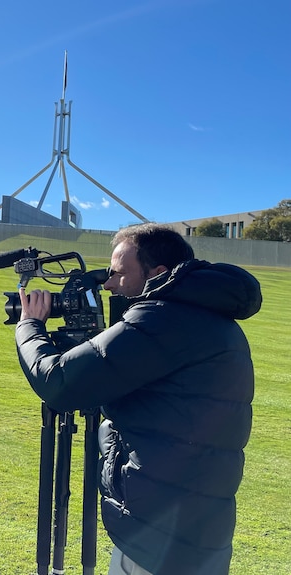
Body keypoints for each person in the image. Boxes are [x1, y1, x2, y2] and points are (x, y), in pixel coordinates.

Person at [15, 223, 262, 575]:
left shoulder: (161, 318)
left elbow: (59, 383)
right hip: (196, 524)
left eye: (119, 273)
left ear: (156, 274)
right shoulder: (210, 316)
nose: (110, 284)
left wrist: (30, 324)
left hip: (161, 535)